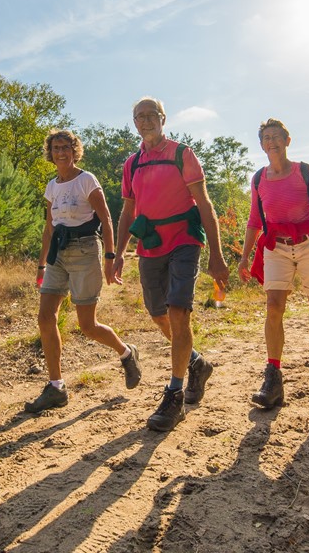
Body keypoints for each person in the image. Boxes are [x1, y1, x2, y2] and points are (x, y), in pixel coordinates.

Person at [113, 97, 230, 432]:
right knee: (158, 314)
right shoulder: (132, 163)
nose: (146, 121)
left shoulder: (182, 154)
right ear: (134, 123)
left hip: (184, 239)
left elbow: (204, 204)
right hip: (150, 245)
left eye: (152, 115)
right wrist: (117, 253)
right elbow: (127, 211)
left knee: (179, 311)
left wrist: (217, 255)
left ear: (163, 119)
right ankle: (197, 363)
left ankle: (174, 394)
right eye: (140, 117)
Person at [237, 118, 309, 408]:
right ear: (261, 145)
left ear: (287, 141)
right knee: (274, 306)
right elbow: (254, 220)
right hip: (276, 246)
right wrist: (244, 256)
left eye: (277, 136)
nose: (272, 142)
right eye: (266, 138)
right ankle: (273, 379)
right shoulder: (258, 179)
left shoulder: (304, 171)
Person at [28, 130, 143, 413]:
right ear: (50, 152)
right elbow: (49, 228)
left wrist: (110, 257)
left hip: (85, 250)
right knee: (45, 317)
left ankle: (126, 353)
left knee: (88, 326)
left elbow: (106, 218)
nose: (61, 152)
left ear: (75, 150)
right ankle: (56, 387)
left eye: (66, 147)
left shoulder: (86, 180)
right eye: (56, 148)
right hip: (58, 254)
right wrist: (41, 265)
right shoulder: (52, 186)